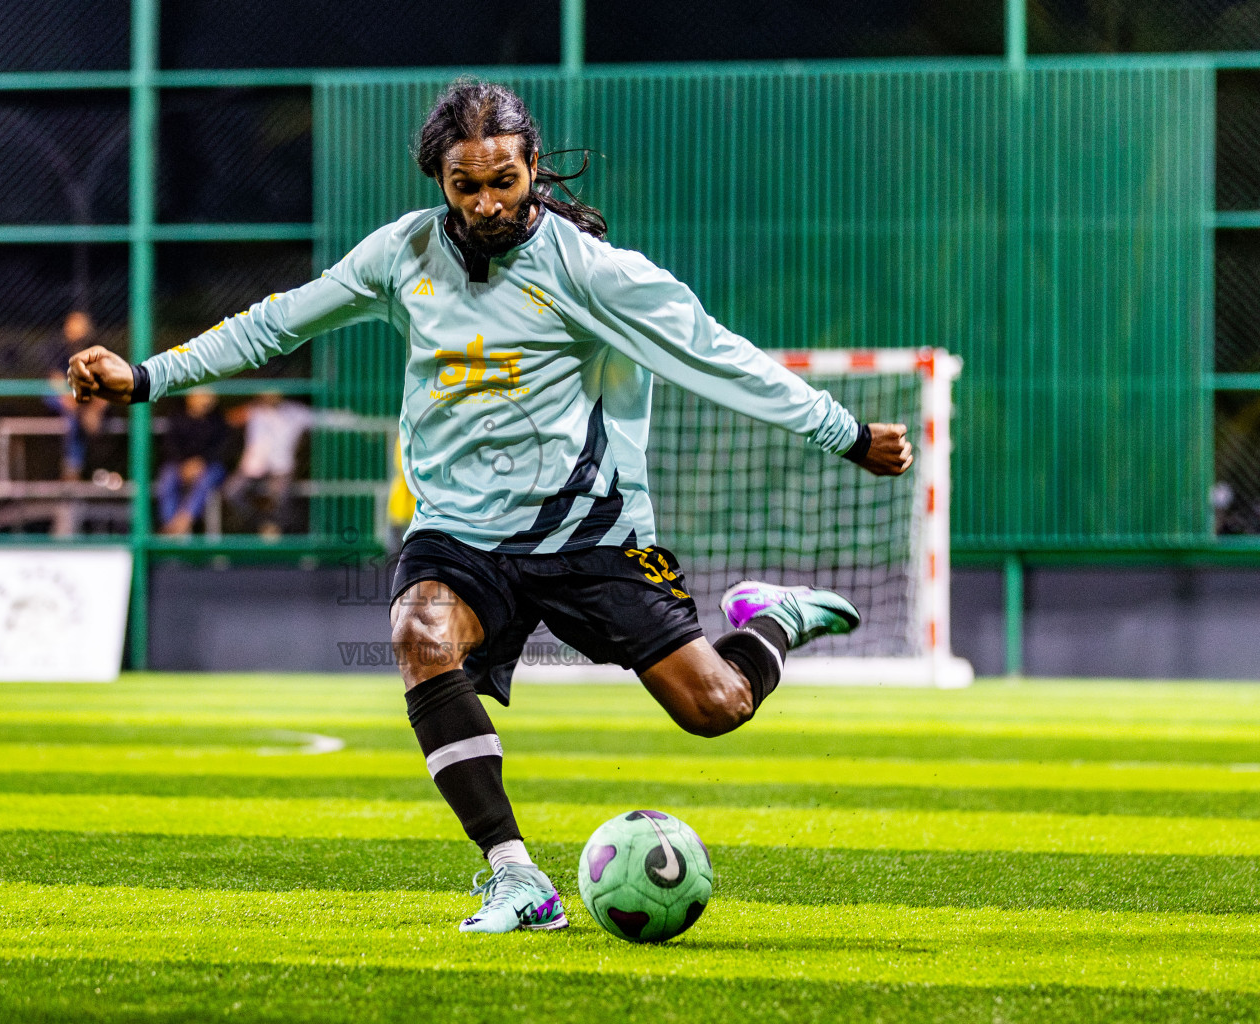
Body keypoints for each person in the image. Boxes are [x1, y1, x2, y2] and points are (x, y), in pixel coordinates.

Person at [66, 79, 912, 935]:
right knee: (418, 636)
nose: (485, 203)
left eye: (502, 181)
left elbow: (720, 356)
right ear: (439, 179)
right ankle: (516, 878)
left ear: (532, 168)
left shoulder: (592, 272)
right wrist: (148, 377)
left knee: (715, 708)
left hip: (593, 533)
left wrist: (843, 431)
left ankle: (770, 620)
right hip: (460, 535)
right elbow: (275, 324)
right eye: (465, 186)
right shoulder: (403, 254)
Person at [225, 391, 313, 539]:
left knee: (280, 498)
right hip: (253, 468)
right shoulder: (254, 410)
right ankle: (262, 524)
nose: (270, 396)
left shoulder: (294, 412)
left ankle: (274, 531)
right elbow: (229, 419)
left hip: (280, 468)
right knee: (231, 492)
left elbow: (324, 419)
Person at [45, 310, 108, 480]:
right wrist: (73, 398)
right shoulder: (59, 348)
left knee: (82, 415)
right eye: (70, 327)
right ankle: (72, 470)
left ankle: (77, 470)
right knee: (73, 415)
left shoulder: (97, 351)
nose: (73, 331)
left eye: (79, 327)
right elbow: (55, 380)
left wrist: (95, 408)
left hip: (84, 399)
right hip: (62, 395)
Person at [157, 388, 229, 536]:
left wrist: (201, 463)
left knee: (206, 480)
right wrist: (185, 465)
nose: (206, 401)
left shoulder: (218, 420)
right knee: (167, 478)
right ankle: (171, 525)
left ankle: (183, 522)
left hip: (209, 466)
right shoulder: (177, 418)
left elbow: (222, 449)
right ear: (190, 398)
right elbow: (170, 446)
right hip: (180, 465)